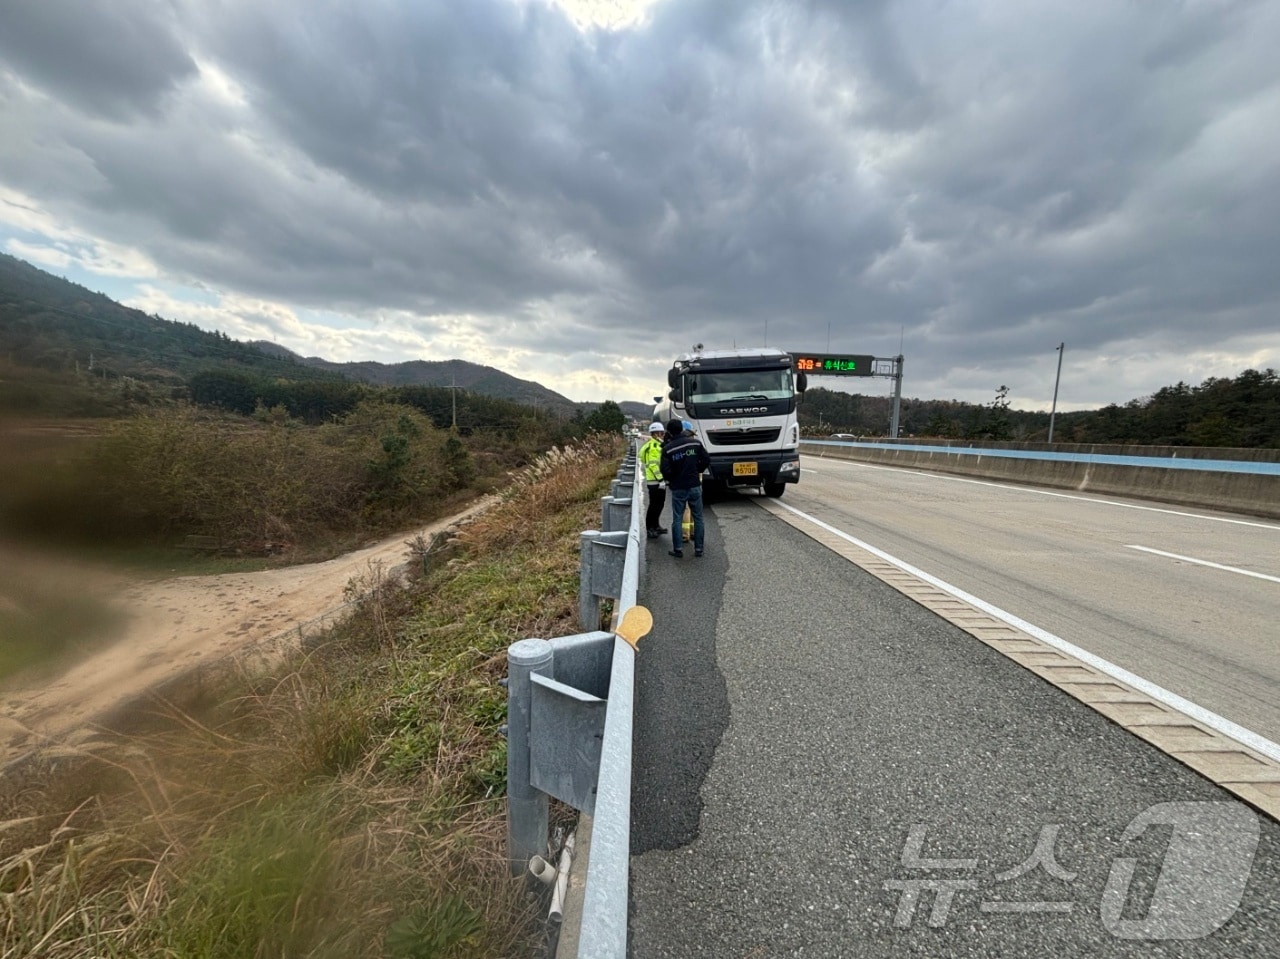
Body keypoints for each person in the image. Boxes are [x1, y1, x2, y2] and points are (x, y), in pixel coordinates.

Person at [659, 417, 710, 558]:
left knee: (677, 518)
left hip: (678, 488)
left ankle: (678, 549)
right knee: (698, 518)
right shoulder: (695, 443)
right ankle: (699, 549)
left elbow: (665, 470)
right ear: (682, 429)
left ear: (669, 431)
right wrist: (697, 470)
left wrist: (673, 478)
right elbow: (706, 460)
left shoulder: (668, 449)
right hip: (694, 485)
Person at [639, 422, 668, 538]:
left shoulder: (656, 444)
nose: (663, 434)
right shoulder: (654, 446)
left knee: (659, 505)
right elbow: (653, 465)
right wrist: (660, 479)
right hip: (655, 481)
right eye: (661, 432)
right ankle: (650, 528)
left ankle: (656, 526)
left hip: (656, 481)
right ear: (656, 433)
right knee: (654, 506)